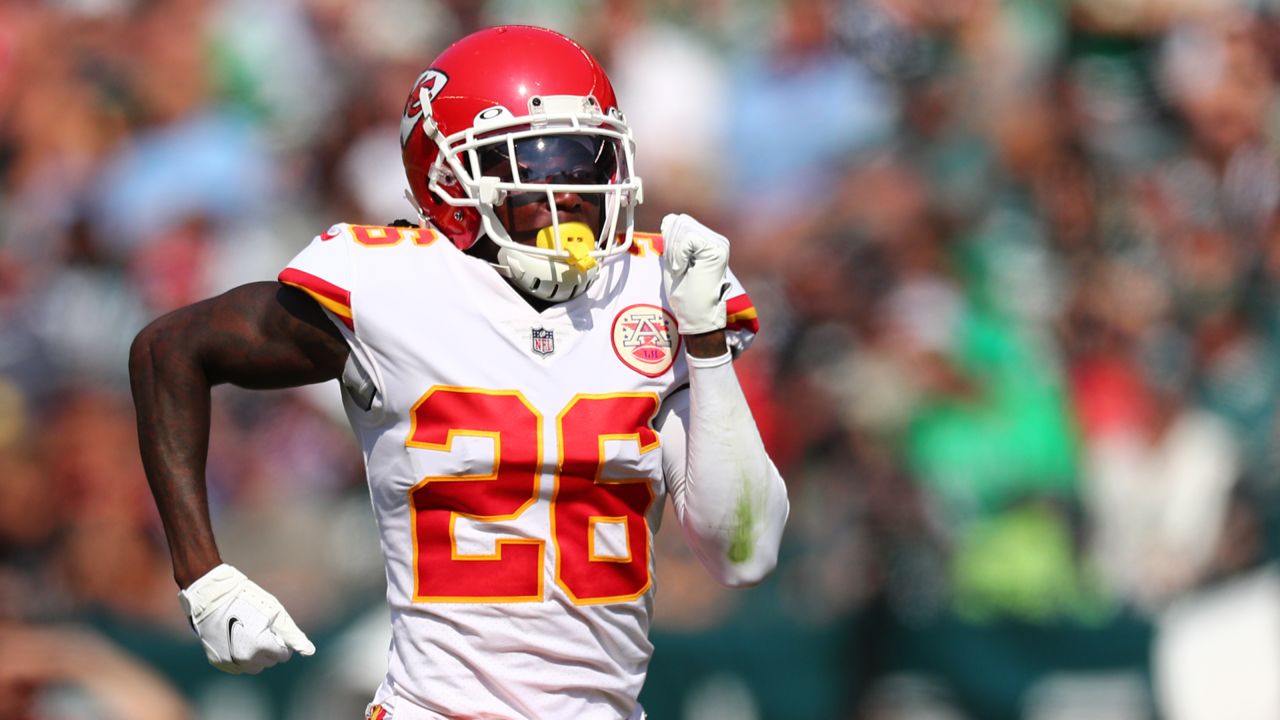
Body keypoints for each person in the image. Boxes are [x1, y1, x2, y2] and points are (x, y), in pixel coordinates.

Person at [129, 25, 789, 720]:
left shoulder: (655, 288)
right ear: (450, 183)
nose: (572, 191)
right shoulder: (392, 282)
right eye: (539, 164)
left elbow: (743, 551)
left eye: (586, 159)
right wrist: (204, 577)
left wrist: (707, 345)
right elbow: (169, 349)